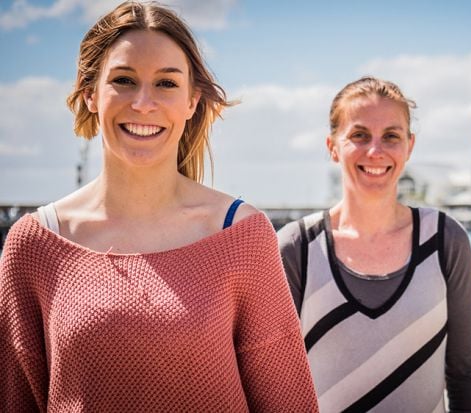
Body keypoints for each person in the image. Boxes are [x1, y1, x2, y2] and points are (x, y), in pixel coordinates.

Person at [0, 2, 318, 411]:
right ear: (90, 95)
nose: (143, 103)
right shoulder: (34, 245)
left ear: (191, 101)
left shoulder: (241, 236)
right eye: (124, 80)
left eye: (166, 84)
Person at [277, 76, 471, 412]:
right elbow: (276, 383)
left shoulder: (445, 240)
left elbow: (465, 374)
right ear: (332, 146)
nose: (376, 151)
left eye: (391, 136)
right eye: (359, 135)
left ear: (409, 146)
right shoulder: (297, 247)